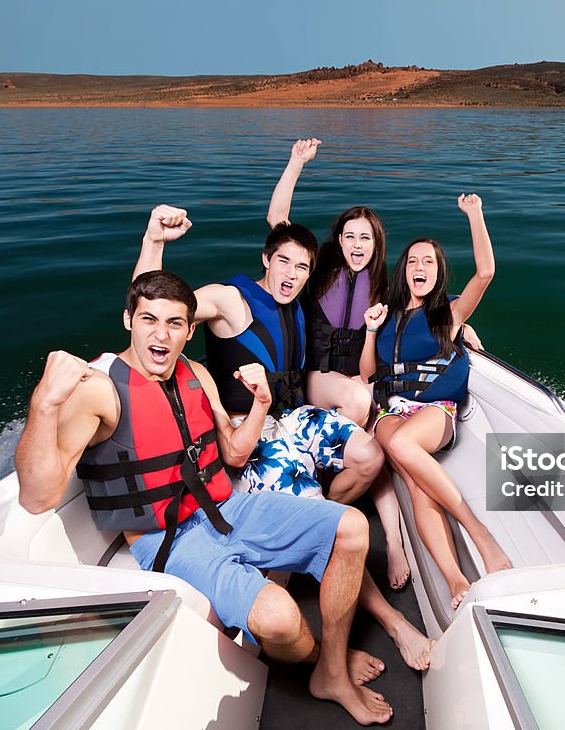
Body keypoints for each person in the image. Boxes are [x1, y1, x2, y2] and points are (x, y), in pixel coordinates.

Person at [14, 270, 392, 724]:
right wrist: (44, 402)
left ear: (189, 330)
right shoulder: (98, 390)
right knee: (280, 621)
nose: (162, 333)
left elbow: (234, 451)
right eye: (149, 319)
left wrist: (260, 405)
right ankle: (316, 660)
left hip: (230, 508)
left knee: (352, 526)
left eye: (175, 323)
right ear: (128, 320)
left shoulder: (196, 374)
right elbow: (38, 497)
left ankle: (330, 672)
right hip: (170, 539)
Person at [133, 209, 434, 671]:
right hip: (252, 433)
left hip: (292, 417)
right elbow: (156, 310)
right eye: (284, 263)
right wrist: (154, 243)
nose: (292, 275)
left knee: (370, 456)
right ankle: (391, 619)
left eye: (302, 268)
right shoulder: (232, 300)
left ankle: (304, 523)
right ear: (265, 260)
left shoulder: (294, 301)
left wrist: (457, 324)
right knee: (326, 517)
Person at [265, 138, 483, 591]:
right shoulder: (321, 268)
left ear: (377, 243)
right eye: (350, 236)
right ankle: (331, 491)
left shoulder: (383, 281)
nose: (357, 244)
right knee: (362, 402)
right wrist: (295, 163)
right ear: (338, 239)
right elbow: (278, 222)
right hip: (322, 378)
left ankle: (397, 543)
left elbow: (423, 312)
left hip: (360, 378)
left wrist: (463, 325)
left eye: (366, 237)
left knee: (377, 445)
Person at [361, 194, 512, 611]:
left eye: (428, 262)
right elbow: (369, 374)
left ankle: (480, 534)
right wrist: (371, 331)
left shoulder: (447, 315)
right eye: (412, 261)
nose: (419, 268)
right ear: (403, 271)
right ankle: (454, 578)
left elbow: (485, 273)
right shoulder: (386, 315)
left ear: (439, 271)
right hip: (392, 410)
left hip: (433, 411)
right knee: (413, 481)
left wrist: (475, 214)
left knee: (404, 447)